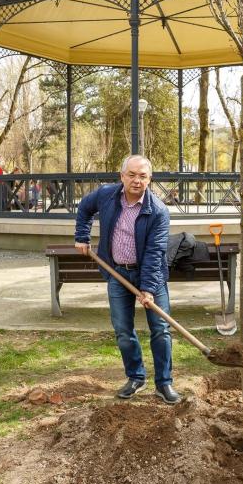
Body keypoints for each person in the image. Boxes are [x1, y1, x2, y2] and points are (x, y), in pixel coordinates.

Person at [74, 155, 178, 404]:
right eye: (131, 175)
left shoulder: (158, 212)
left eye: (142, 176)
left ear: (149, 179)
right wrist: (82, 236)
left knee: (161, 329)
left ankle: (164, 384)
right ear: (121, 176)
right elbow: (84, 208)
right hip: (117, 273)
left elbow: (155, 252)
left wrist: (148, 289)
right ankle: (135, 377)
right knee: (123, 331)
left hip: (150, 274)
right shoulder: (106, 195)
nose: (136, 180)